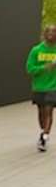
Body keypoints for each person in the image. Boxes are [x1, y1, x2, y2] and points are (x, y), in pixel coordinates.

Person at [25, 23, 56, 152]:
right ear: (44, 35)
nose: (51, 35)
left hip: (53, 87)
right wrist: (45, 67)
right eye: (49, 32)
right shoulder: (36, 50)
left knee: (49, 110)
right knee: (41, 114)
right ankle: (43, 130)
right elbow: (29, 69)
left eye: (54, 33)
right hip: (39, 87)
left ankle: (44, 137)